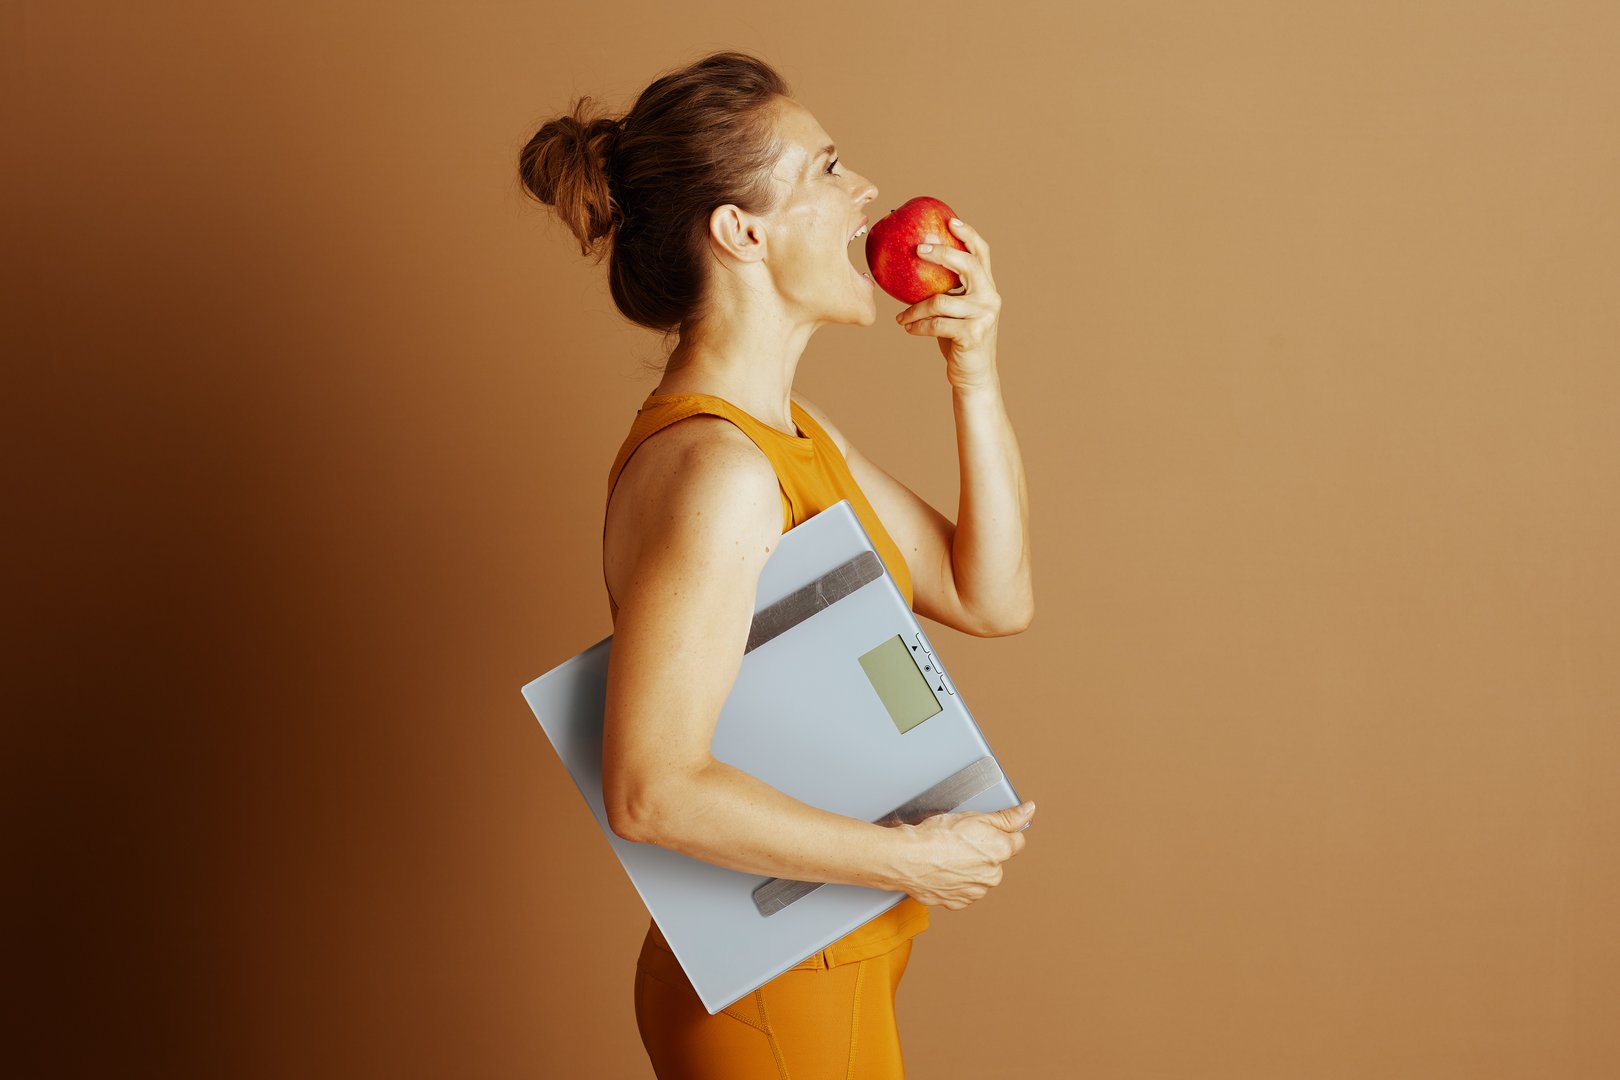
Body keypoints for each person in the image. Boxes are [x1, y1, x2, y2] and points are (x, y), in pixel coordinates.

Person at [518, 51, 1036, 1078]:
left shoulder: (787, 435)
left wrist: (972, 371)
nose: (867, 194)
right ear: (739, 232)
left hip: (821, 960)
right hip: (774, 986)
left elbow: (992, 596)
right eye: (829, 169)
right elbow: (651, 790)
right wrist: (911, 856)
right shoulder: (718, 471)